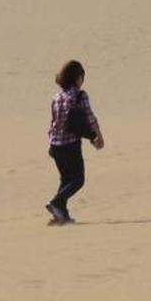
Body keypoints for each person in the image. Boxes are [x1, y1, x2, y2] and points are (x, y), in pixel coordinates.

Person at [45, 60, 103, 226]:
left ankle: (60, 215)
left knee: (65, 179)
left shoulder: (56, 97)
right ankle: (56, 203)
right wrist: (98, 136)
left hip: (56, 145)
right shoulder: (80, 95)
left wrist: (50, 144)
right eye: (82, 76)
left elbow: (53, 123)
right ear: (78, 78)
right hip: (70, 144)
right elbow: (89, 117)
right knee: (78, 179)